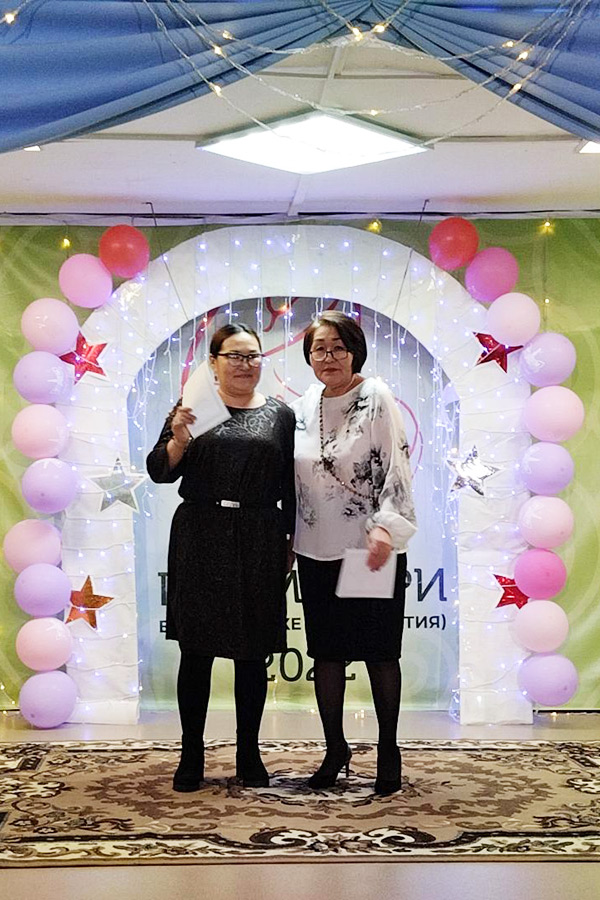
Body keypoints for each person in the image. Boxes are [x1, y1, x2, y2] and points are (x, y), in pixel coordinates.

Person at [147, 323, 295, 792]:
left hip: (259, 534)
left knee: (252, 653)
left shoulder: (281, 415)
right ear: (213, 362)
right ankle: (191, 754)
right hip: (200, 533)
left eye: (253, 356)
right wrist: (179, 438)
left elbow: (292, 484)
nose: (245, 364)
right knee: (197, 652)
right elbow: (158, 471)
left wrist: (291, 539)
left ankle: (249, 753)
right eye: (234, 356)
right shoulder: (194, 406)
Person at [293, 310, 417, 795]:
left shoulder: (376, 396)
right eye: (319, 349)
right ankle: (335, 749)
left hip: (367, 548)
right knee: (326, 654)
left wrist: (386, 527)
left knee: (378, 653)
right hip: (315, 548)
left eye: (338, 348)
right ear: (309, 356)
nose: (329, 357)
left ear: (354, 352)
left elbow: (397, 467)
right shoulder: (305, 404)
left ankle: (388, 749)